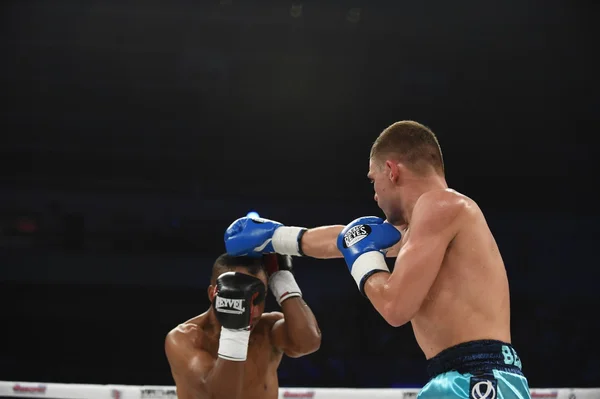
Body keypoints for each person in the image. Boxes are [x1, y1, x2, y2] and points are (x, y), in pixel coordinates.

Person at [224, 120, 531, 399]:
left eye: (373, 180)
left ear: (391, 170)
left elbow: (394, 306)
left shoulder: (441, 205)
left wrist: (366, 260)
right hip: (466, 378)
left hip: (478, 381)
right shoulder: (426, 225)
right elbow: (344, 239)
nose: (374, 193)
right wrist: (276, 237)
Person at [165, 253, 321, 399]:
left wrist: (282, 280)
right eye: (242, 300)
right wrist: (236, 326)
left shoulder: (268, 329)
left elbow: (309, 342)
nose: (253, 312)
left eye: (258, 298)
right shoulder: (184, 339)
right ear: (213, 294)